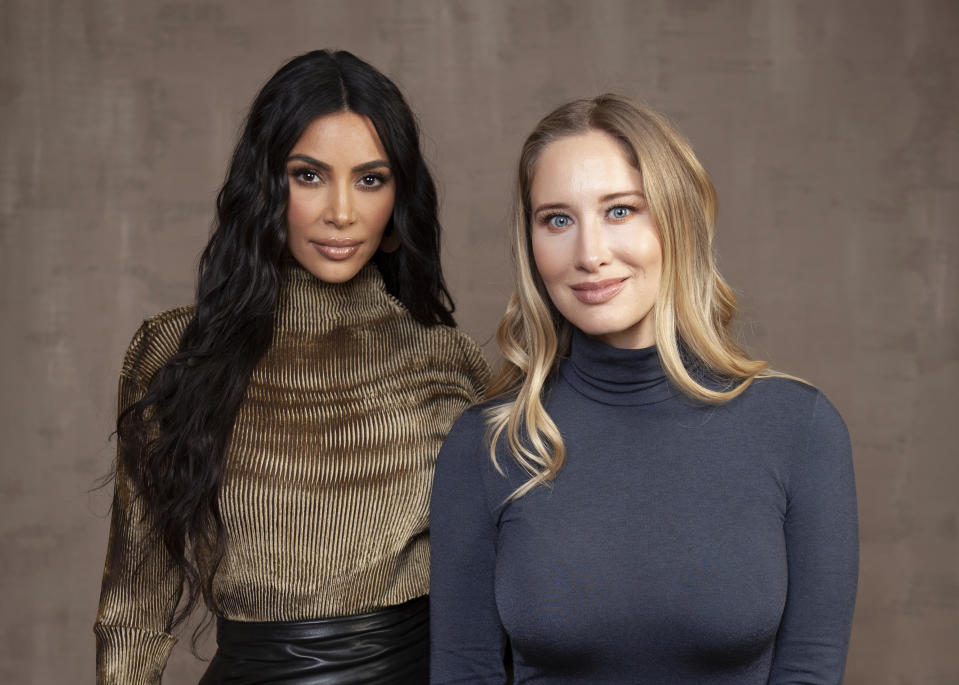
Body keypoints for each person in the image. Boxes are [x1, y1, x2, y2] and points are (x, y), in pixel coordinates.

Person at [430, 94, 858, 684]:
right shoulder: (487, 444)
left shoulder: (799, 428)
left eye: (621, 211)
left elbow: (809, 670)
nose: (589, 254)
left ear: (677, 219)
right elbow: (464, 672)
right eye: (557, 219)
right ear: (531, 244)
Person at [94, 49, 488, 684]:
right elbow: (134, 613)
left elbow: (496, 598)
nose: (341, 211)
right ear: (265, 186)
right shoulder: (173, 355)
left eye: (370, 179)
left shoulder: (445, 363)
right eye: (308, 176)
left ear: (399, 196)